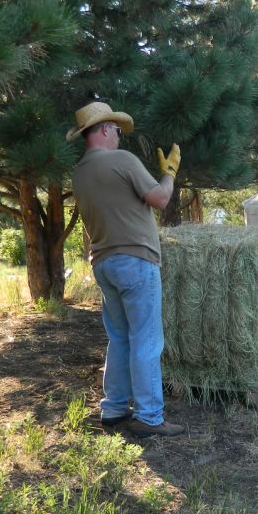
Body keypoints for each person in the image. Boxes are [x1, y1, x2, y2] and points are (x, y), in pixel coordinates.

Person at [68, 101, 184, 437]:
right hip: (136, 260)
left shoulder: (79, 173)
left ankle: (114, 410)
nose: (119, 136)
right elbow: (160, 199)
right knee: (146, 340)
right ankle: (149, 417)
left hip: (103, 263)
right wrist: (170, 172)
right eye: (117, 130)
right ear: (103, 129)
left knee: (119, 339)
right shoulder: (122, 160)